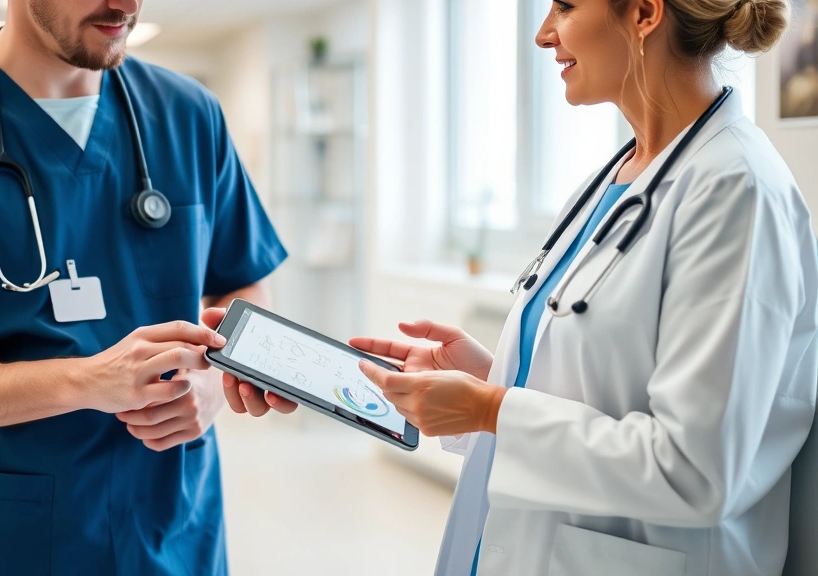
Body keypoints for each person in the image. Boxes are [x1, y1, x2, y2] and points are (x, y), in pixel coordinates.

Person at [210, 0, 818, 574]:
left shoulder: (736, 190)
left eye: (566, 7)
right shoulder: (622, 174)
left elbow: (698, 472)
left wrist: (490, 408)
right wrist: (486, 377)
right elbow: (604, 377)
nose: (543, 33)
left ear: (643, 12)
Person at [0, 0, 287, 574]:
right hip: (2, 540)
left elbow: (245, 283)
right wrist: (88, 381)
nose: (125, 4)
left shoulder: (189, 116)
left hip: (172, 530)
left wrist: (216, 380)